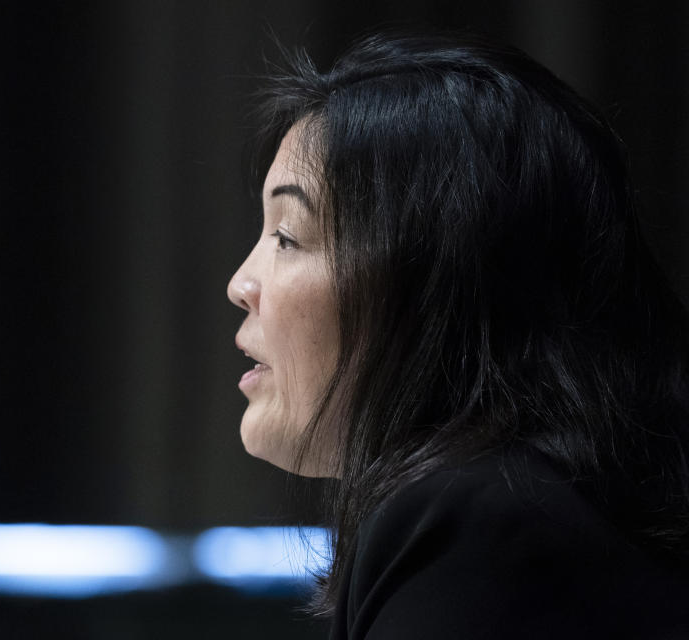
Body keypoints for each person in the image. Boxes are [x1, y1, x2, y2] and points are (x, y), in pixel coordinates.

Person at [227, 30, 689, 638]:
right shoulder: (542, 509)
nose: (241, 283)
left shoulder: (479, 525)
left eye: (288, 236)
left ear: (433, 281)